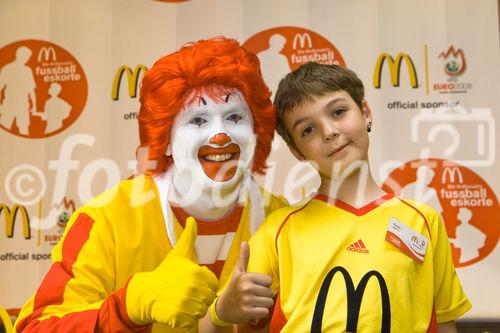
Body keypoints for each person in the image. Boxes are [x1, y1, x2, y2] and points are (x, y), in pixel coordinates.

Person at [14, 37, 286, 332]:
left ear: (256, 131)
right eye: (198, 120)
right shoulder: (108, 220)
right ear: (165, 141)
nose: (220, 134)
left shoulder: (282, 220)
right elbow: (35, 327)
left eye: (234, 117)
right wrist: (130, 305)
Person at [207, 62, 471, 333]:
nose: (329, 131)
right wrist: (221, 311)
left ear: (365, 113)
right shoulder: (278, 230)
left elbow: (443, 321)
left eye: (338, 112)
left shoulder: (423, 222)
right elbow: (232, 323)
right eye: (307, 130)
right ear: (297, 151)